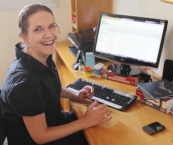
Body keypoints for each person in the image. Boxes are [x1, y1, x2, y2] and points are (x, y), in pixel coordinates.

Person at [0, 3, 112, 145]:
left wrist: (76, 94)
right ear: (24, 37)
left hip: (53, 121)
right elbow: (41, 136)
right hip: (40, 139)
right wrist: (85, 122)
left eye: (52, 26)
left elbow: (49, 87)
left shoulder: (40, 56)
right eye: (38, 29)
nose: (49, 35)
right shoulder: (25, 82)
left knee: (106, 127)